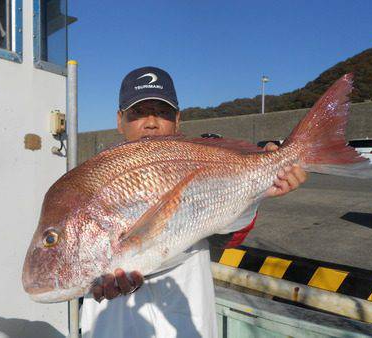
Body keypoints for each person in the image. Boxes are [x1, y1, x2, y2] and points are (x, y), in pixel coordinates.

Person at [80, 66, 307, 338]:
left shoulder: (200, 159)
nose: (151, 122)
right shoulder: (94, 178)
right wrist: (86, 281)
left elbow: (229, 237)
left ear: (177, 119)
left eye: (162, 112)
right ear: (120, 120)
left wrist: (264, 185)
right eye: (137, 113)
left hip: (186, 319)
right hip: (114, 324)